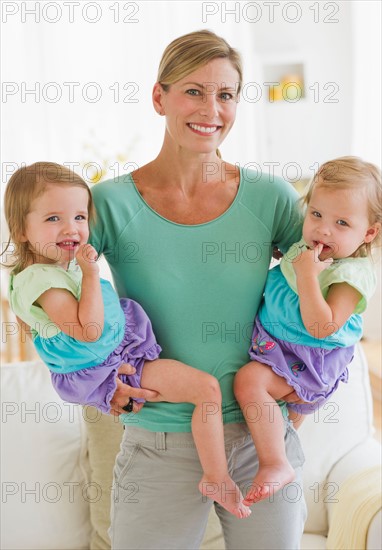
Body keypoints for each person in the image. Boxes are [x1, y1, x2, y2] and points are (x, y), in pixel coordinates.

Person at [89, 30, 307, 550]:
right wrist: (98, 380)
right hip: (158, 442)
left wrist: (313, 386)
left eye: (226, 95)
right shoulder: (109, 204)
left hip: (261, 442)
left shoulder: (271, 198)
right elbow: (41, 284)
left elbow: (335, 285)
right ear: (159, 96)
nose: (211, 109)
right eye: (194, 91)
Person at [3, 160, 253, 519]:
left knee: (205, 388)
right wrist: (91, 273)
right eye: (53, 218)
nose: (71, 228)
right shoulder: (42, 281)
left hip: (115, 358)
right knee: (207, 389)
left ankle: (213, 473)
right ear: (21, 229)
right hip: (111, 367)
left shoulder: (48, 272)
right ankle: (216, 477)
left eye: (79, 217)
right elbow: (88, 331)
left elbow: (40, 329)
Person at [234, 156, 381, 506]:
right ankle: (279, 469)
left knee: (249, 382)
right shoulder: (309, 252)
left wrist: (306, 276)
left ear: (368, 233)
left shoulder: (351, 275)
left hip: (308, 358)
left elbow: (320, 326)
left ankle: (275, 464)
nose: (323, 230)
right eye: (316, 214)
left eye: (342, 222)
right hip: (278, 346)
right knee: (282, 425)